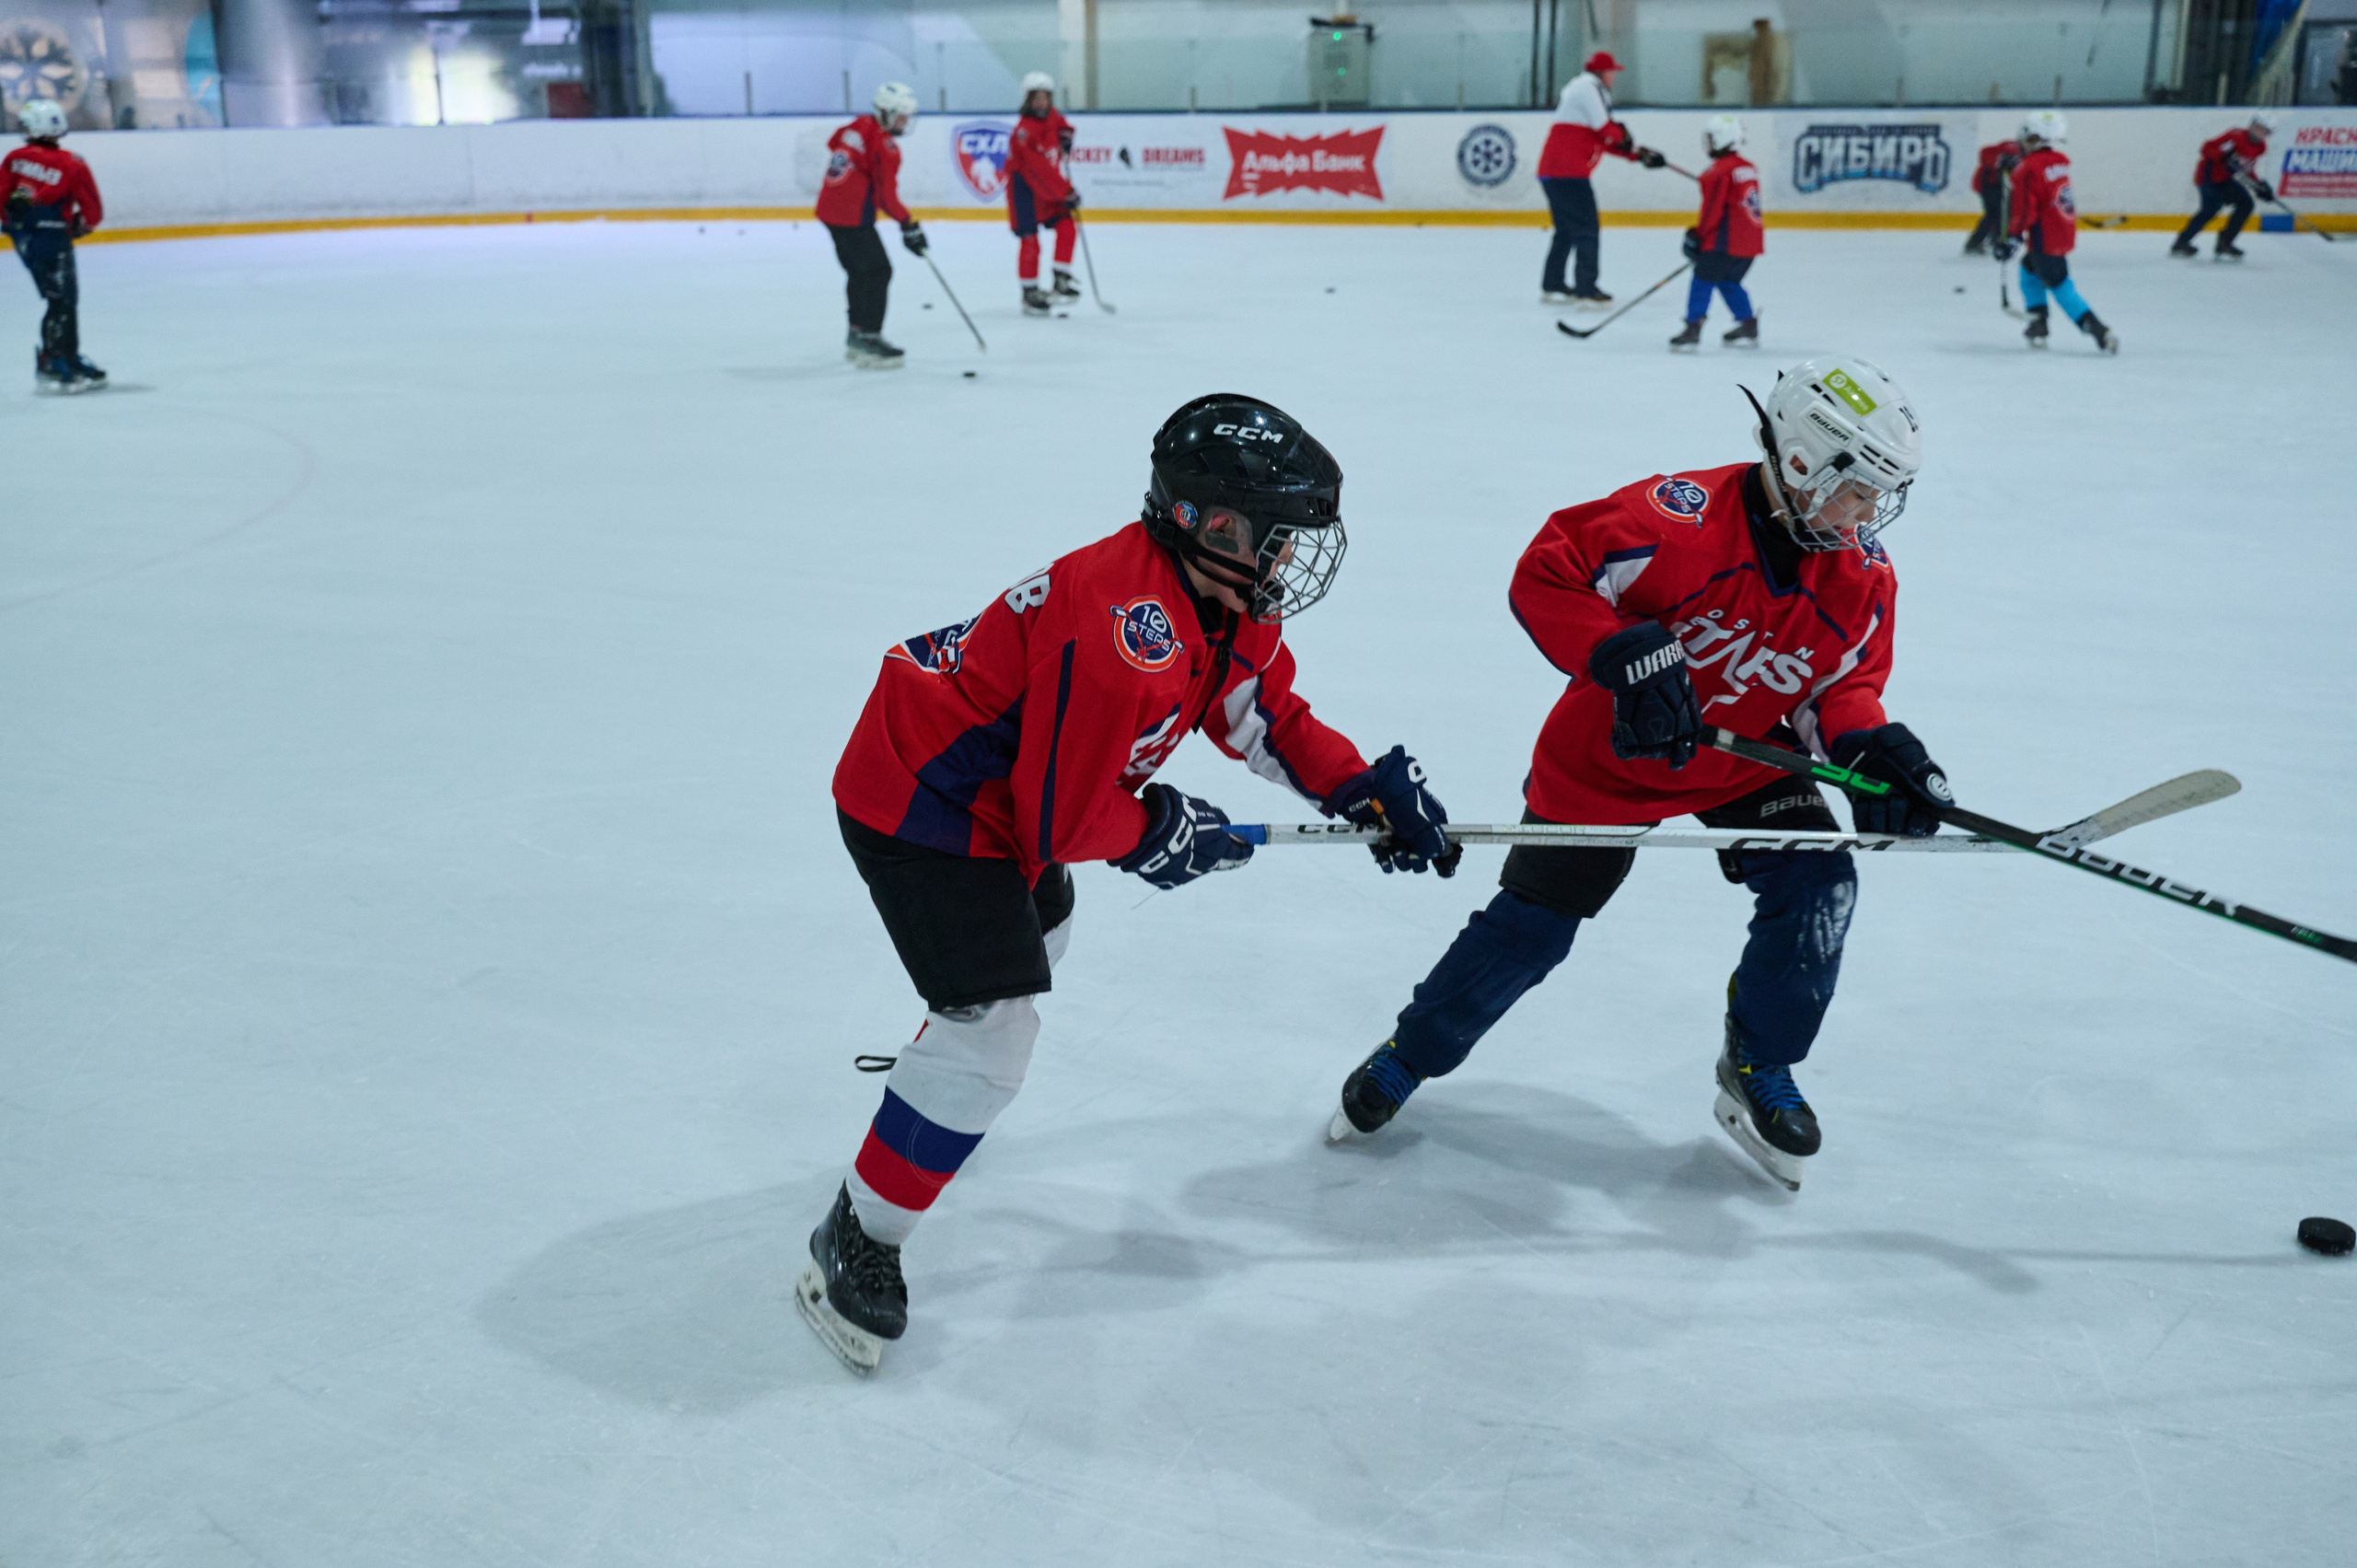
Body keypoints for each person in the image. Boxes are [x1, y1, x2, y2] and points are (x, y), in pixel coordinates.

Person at [798, 393, 1463, 1372]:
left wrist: (1357, 787)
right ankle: (859, 1231)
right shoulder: (1120, 628)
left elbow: (1263, 718)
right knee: (995, 1027)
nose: (1289, 562)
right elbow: (1061, 820)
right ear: (1213, 524)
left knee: (1041, 938)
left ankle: (937, 1068)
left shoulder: (1218, 598)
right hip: (921, 802)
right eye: (1277, 539)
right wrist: (1158, 826)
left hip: (997, 795)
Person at [1326, 357, 1942, 1194]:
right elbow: (1548, 569)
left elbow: (1841, 687)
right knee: (1533, 929)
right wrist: (1616, 648)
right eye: (1858, 489)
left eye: (1879, 495)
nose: (1870, 515)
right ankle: (1412, 1052)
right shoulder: (1679, 517)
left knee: (1819, 881)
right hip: (1608, 763)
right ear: (1801, 462)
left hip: (1738, 763)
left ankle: (1758, 1062)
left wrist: (1874, 750)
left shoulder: (1862, 575)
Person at [1538, 51, 1664, 308]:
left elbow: (1602, 139)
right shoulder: (1587, 88)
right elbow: (1607, 131)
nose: (1614, 77)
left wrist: (1637, 155)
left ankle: (1553, 284)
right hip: (1568, 174)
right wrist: (1623, 138)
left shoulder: (1585, 91)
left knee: (1566, 231)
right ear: (1601, 72)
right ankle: (1586, 290)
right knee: (1586, 230)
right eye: (1612, 72)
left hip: (1554, 172)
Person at [816, 82, 926, 368]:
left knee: (859, 271)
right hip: (852, 216)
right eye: (900, 116)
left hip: (830, 210)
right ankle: (869, 337)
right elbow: (886, 198)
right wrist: (908, 224)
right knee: (879, 271)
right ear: (886, 113)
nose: (904, 123)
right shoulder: (886, 146)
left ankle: (856, 332)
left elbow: (834, 142)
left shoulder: (858, 125)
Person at [2, 98, 106, 393]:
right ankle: (55, 359)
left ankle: (65, 356)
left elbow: (4, 199)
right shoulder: (72, 163)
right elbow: (92, 209)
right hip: (56, 237)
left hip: (26, 239)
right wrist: (82, 226)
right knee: (64, 299)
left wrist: (14, 227)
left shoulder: (14, 159)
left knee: (57, 299)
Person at [1997, 110, 2117, 354]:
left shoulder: (2027, 169)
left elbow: (2023, 209)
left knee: (2059, 284)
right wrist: (2020, 168)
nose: (2022, 143)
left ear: (2037, 139)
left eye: (2028, 138)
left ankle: (2098, 330)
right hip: (2061, 232)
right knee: (2029, 271)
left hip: (2044, 238)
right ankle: (2038, 322)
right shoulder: (2056, 162)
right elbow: (2042, 185)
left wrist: (2012, 237)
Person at [1669, 115, 1762, 353]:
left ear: (1723, 139)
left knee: (1702, 278)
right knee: (1728, 280)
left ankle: (1692, 327)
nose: (1708, 144)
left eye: (1711, 139)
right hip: (1750, 243)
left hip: (1724, 242)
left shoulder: (1719, 171)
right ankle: (1748, 324)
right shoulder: (1747, 167)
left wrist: (1699, 235)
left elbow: (1712, 209)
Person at [1005, 71, 1080, 317]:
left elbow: (1062, 125)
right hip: (1024, 190)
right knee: (1030, 241)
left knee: (1067, 225)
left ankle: (1060, 277)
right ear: (1027, 100)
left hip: (1048, 187)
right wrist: (1065, 191)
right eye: (1035, 98)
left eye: (1045, 97)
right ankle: (1029, 292)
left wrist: (1067, 135)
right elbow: (1039, 170)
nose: (1041, 102)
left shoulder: (1052, 115)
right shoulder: (1024, 132)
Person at [2171, 112, 2276, 261]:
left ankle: (2218, 242)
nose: (2261, 133)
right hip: (2208, 177)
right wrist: (2223, 157)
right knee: (2212, 209)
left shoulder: (2260, 147)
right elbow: (2207, 148)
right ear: (2252, 126)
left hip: (2224, 180)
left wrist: (2258, 186)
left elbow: (2246, 169)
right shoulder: (2236, 137)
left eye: (2266, 131)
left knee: (2244, 204)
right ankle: (2190, 242)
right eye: (2259, 128)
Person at [1963, 134, 2020, 255]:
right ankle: (1977, 242)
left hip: (1992, 186)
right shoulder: (2013, 150)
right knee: (1995, 214)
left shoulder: (2013, 150)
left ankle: (1992, 239)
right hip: (1989, 186)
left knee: (1999, 214)